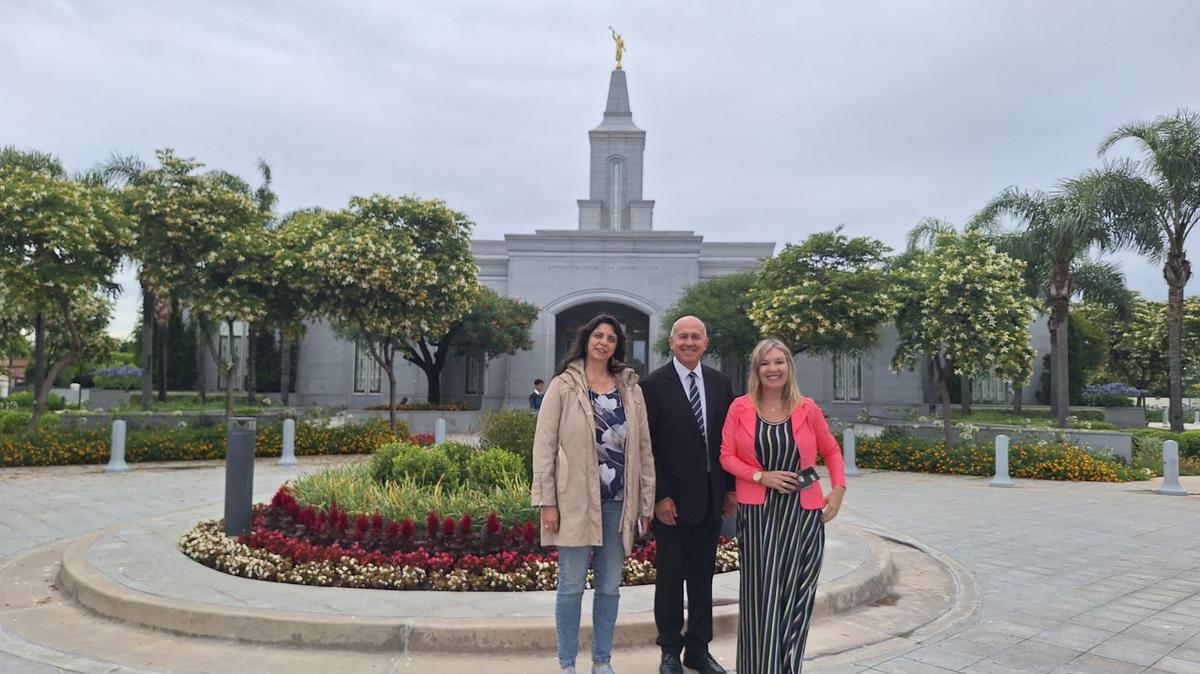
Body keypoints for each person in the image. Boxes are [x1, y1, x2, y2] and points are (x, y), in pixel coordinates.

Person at [531, 314, 655, 674]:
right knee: (570, 585)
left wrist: (645, 502)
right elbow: (544, 445)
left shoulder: (630, 387)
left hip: (618, 502)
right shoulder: (564, 384)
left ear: (618, 346)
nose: (604, 342)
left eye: (611, 338)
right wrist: (547, 501)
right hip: (573, 501)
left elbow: (644, 448)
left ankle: (602, 661)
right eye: (598, 335)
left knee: (610, 588)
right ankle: (567, 663)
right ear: (587, 339)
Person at [719, 338, 847, 674]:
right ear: (756, 370)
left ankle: (787, 668)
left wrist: (838, 490)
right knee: (761, 600)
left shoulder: (807, 408)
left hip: (803, 516)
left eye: (779, 362)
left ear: (789, 366)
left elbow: (831, 451)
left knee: (798, 598)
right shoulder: (740, 408)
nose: (773, 369)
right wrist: (761, 476)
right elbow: (726, 456)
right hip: (759, 515)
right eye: (765, 363)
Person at [639, 315, 735, 674]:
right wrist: (660, 496)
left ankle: (698, 649)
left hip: (711, 500)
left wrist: (729, 488)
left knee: (701, 578)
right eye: (683, 337)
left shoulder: (721, 384)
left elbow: (729, 442)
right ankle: (669, 651)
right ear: (672, 342)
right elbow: (647, 448)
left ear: (705, 343)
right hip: (672, 505)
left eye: (696, 337)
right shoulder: (652, 386)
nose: (689, 342)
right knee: (669, 578)